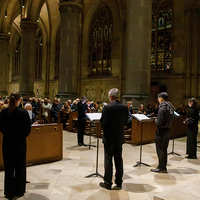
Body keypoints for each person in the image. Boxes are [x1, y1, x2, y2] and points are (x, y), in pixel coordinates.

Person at [0, 92, 31, 199]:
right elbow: (28, 130)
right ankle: (18, 190)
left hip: (8, 143)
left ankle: (9, 192)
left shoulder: (4, 112)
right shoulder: (23, 112)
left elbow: (1, 127)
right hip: (20, 143)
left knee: (9, 168)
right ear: (19, 100)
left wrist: (8, 134)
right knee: (20, 167)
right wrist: (21, 135)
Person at [99, 88, 128, 190]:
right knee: (118, 159)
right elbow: (127, 121)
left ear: (110, 97)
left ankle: (107, 182)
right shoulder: (125, 107)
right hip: (119, 137)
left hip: (109, 137)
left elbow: (102, 123)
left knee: (108, 160)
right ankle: (119, 181)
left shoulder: (107, 107)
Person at [151, 92, 175, 173]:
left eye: (158, 98)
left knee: (160, 150)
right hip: (168, 130)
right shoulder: (170, 107)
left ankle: (161, 167)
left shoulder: (162, 108)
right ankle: (163, 167)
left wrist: (156, 121)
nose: (158, 100)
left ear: (161, 98)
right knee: (164, 149)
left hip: (161, 131)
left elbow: (159, 121)